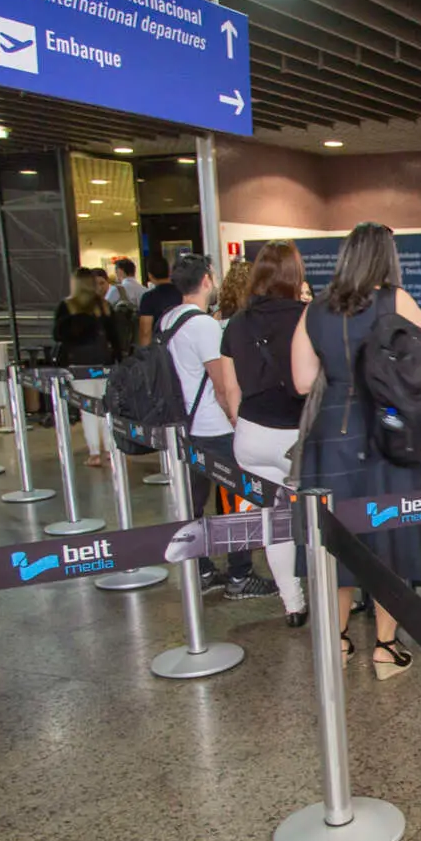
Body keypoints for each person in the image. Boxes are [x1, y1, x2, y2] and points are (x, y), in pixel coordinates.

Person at [289, 222, 421, 677]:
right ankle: (384, 647)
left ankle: (337, 642)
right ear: (386, 257)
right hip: (384, 434)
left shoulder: (314, 309)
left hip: (329, 437)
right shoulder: (392, 300)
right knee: (388, 539)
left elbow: (301, 381)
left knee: (337, 539)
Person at [157, 253, 271, 599]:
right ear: (207, 279)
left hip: (185, 426)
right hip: (214, 428)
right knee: (238, 499)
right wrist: (236, 419)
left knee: (194, 502)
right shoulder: (203, 325)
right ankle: (240, 575)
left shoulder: (169, 319)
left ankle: (202, 568)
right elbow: (221, 384)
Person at [223, 242, 311, 626]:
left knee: (274, 523)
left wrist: (244, 424)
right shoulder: (308, 317)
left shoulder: (237, 322)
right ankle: (332, 594)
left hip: (252, 435)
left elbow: (229, 392)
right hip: (300, 437)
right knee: (324, 520)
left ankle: (292, 603)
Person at [51, 266, 122, 467]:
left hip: (78, 365)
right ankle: (110, 448)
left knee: (88, 409)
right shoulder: (104, 306)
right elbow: (115, 337)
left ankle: (94, 452)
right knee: (104, 404)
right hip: (104, 363)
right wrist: (117, 359)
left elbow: (57, 335)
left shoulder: (67, 307)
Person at [136, 254, 179, 347]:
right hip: (182, 344)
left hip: (161, 348)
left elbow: (145, 331)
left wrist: (145, 355)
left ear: (150, 275)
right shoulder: (184, 293)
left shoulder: (148, 298)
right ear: (169, 272)